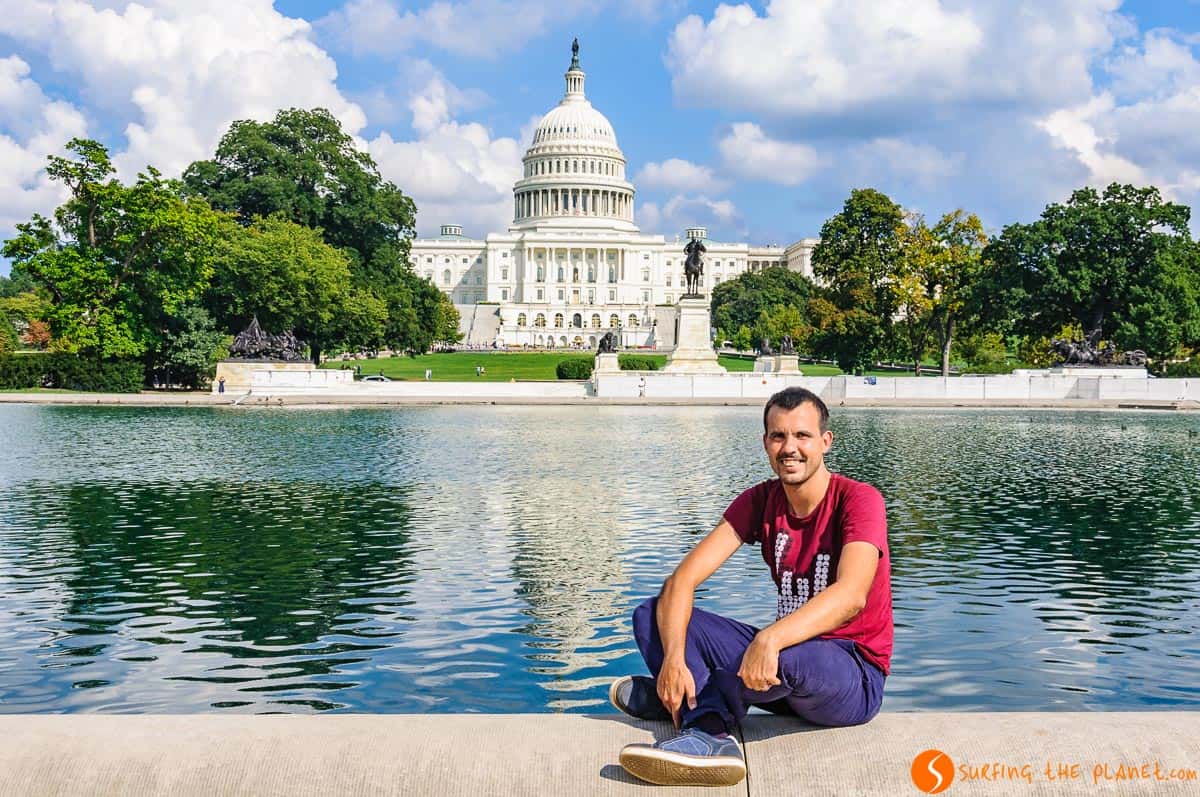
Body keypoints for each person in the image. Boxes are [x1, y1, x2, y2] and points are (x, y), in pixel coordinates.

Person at [611, 387, 892, 787]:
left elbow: (851, 595)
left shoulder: (858, 500)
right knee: (653, 613)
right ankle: (708, 729)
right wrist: (673, 659)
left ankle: (693, 710)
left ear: (825, 442)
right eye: (778, 436)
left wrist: (771, 638)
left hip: (852, 674)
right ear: (765, 443)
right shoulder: (761, 500)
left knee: (788, 657)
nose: (789, 448)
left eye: (802, 436)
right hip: (784, 665)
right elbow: (682, 581)